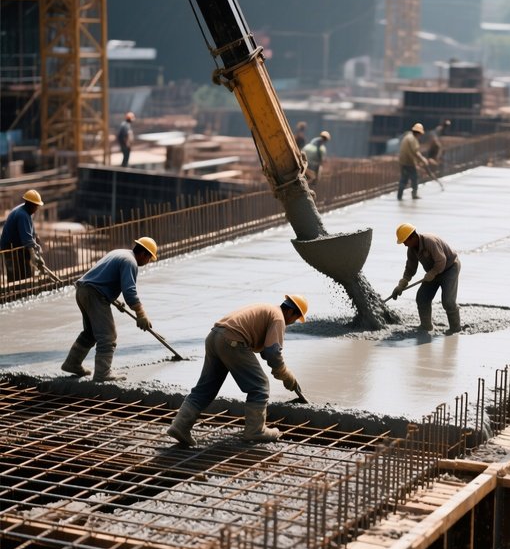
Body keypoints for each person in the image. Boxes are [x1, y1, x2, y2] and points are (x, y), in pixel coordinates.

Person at [167, 295, 307, 447]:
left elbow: (266, 352)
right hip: (232, 341)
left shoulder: (268, 309)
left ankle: (180, 425)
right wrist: (286, 374)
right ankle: (256, 430)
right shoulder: (279, 318)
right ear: (292, 312)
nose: (293, 322)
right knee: (259, 385)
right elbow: (273, 353)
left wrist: (284, 375)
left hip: (215, 337)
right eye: (296, 318)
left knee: (206, 388)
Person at [61, 237, 158, 381]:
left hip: (83, 291)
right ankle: (102, 373)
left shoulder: (120, 253)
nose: (148, 262)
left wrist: (112, 299)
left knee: (91, 333)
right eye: (149, 259)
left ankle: (72, 363)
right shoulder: (130, 262)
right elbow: (130, 291)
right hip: (94, 295)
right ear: (144, 254)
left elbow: (105, 277)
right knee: (107, 336)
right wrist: (140, 313)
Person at [390, 224, 461, 335]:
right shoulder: (411, 249)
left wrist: (432, 273)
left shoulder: (430, 241)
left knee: (448, 301)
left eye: (405, 241)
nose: (404, 245)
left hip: (449, 268)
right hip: (433, 272)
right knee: (422, 298)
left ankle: (455, 329)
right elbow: (410, 268)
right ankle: (426, 326)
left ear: (412, 237)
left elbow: (442, 260)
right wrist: (402, 284)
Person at [1, 189, 45, 282]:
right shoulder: (22, 215)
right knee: (16, 278)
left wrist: (38, 252)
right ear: (30, 204)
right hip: (11, 248)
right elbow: (26, 238)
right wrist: (33, 255)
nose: (37, 208)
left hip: (18, 246)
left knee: (26, 273)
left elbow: (32, 233)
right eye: (36, 206)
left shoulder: (25, 211)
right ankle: (17, 294)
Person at [397, 123, 428, 200]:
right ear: (418, 133)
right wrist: (423, 159)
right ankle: (414, 194)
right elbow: (415, 152)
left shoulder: (407, 137)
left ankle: (399, 195)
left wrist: (418, 162)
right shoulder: (413, 139)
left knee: (404, 179)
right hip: (408, 162)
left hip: (403, 161)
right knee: (414, 178)